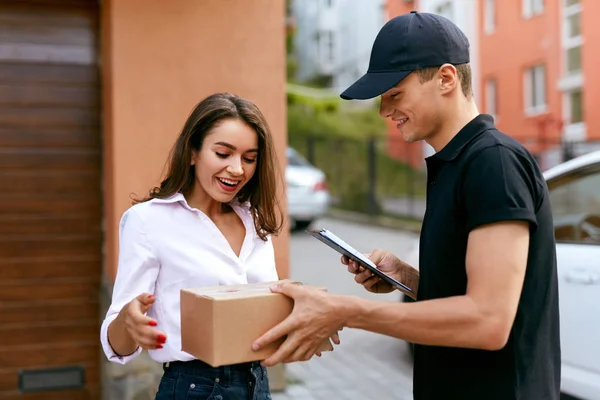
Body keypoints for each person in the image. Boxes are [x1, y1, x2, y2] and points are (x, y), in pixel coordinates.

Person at [252, 11, 560, 400]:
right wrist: (411, 281)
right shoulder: (457, 164)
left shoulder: (492, 163)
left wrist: (345, 311)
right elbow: (468, 295)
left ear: (446, 78)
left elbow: (488, 321)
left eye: (395, 94)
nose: (384, 111)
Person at [100, 93, 336, 400]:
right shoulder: (147, 221)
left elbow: (262, 308)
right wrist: (128, 323)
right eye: (223, 154)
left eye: (249, 158)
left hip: (257, 383)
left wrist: (308, 322)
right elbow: (117, 345)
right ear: (194, 152)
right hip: (194, 387)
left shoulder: (254, 220)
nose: (237, 169)